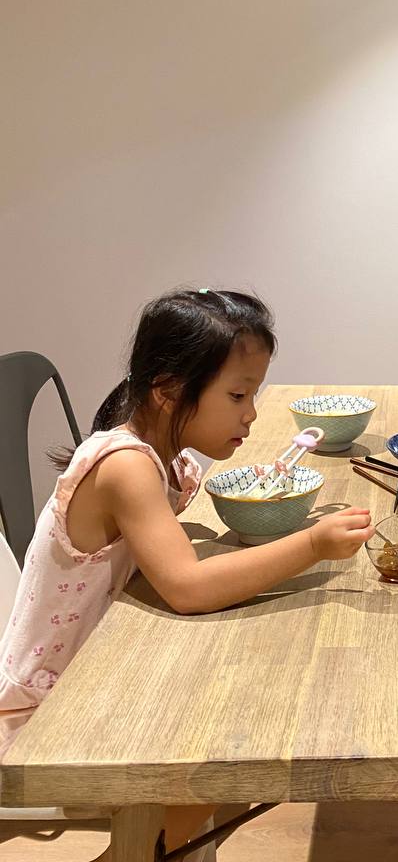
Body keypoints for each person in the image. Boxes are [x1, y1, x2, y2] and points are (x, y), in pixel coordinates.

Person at [0, 288, 374, 854]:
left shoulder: (161, 454)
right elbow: (188, 588)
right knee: (245, 733)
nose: (251, 413)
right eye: (238, 395)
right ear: (169, 391)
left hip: (107, 661)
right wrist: (312, 545)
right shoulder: (125, 467)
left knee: (249, 708)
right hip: (55, 708)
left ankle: (162, 844)